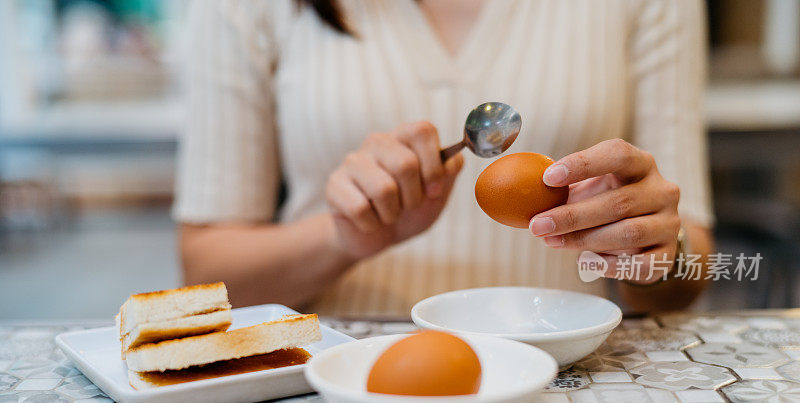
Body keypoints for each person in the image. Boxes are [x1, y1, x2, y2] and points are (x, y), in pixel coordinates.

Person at [175, 0, 714, 318]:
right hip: (341, 383)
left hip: (569, 375)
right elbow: (209, 275)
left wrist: (656, 250)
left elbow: (693, 265)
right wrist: (342, 238)